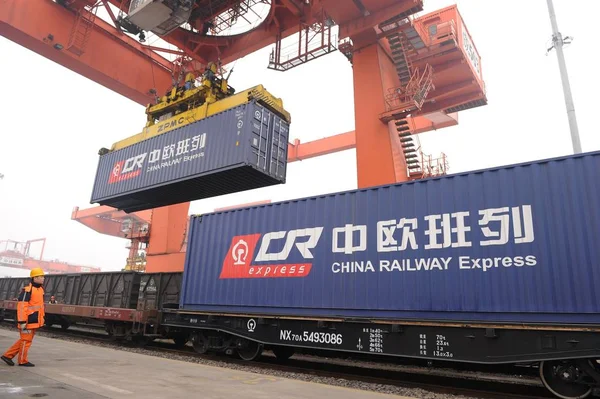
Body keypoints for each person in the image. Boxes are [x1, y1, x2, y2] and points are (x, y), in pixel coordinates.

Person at [1, 268, 45, 367]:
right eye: (41, 276)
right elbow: (22, 307)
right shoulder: (27, 291)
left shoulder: (41, 290)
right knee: (26, 341)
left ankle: (8, 356)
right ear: (35, 278)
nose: (43, 278)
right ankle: (22, 361)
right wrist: (22, 321)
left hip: (34, 321)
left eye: (43, 276)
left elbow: (39, 307)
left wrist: (41, 319)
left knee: (25, 340)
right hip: (27, 321)